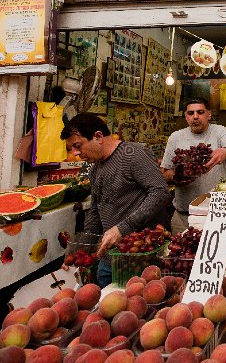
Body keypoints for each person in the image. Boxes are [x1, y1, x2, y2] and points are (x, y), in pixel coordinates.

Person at [61, 113, 170, 288]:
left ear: (98, 137)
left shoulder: (134, 154)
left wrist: (122, 228)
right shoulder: (95, 168)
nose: (75, 152)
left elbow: (160, 192)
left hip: (141, 257)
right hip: (109, 259)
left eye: (77, 145)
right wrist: (80, 252)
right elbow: (96, 210)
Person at [161, 97, 226, 234]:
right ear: (186, 116)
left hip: (216, 215)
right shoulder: (175, 137)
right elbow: (165, 174)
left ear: (209, 115)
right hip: (183, 216)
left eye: (200, 112)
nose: (195, 117)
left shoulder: (220, 132)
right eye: (190, 113)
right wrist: (180, 175)